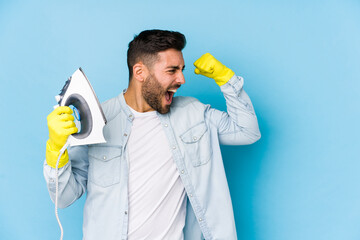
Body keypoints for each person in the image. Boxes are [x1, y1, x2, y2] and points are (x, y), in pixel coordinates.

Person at [44, 29, 261, 240]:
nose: (182, 79)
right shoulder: (99, 120)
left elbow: (247, 132)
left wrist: (227, 79)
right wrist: (55, 149)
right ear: (140, 72)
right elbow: (63, 197)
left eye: (182, 69)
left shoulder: (193, 113)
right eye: (172, 70)